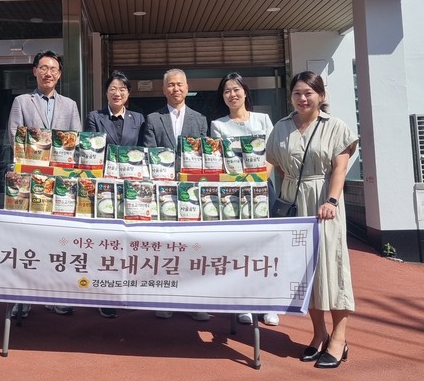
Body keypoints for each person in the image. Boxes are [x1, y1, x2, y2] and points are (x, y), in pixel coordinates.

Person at [266, 71, 358, 369]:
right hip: (293, 203)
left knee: (332, 267)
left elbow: (340, 168)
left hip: (323, 203)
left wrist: (331, 200)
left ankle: (339, 338)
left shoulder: (336, 126)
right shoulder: (281, 127)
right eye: (297, 93)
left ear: (321, 95)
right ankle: (319, 334)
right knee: (304, 272)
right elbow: (276, 165)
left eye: (308, 93)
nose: (303, 98)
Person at [6, 50, 82, 318]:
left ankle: (56, 295)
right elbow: (14, 136)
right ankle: (22, 297)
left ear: (59, 74)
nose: (48, 73)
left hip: (60, 184)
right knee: (25, 239)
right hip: (28, 181)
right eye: (43, 68)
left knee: (58, 240)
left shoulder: (70, 105)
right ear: (35, 71)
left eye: (54, 69)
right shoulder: (21, 102)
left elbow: (76, 140)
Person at [210, 72, 279, 328]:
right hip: (233, 194)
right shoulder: (218, 125)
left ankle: (269, 303)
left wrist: (259, 181)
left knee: (266, 246)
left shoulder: (263, 119)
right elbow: (220, 161)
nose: (232, 94)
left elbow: (272, 154)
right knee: (239, 247)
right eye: (227, 91)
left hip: (262, 189)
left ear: (245, 92)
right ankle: (244, 303)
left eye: (236, 89)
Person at [143, 68, 209, 321]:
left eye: (180, 84)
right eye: (170, 85)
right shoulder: (153, 119)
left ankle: (194, 301)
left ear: (187, 87)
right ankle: (165, 298)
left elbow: (204, 157)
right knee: (165, 246)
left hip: (192, 194)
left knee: (193, 247)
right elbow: (149, 153)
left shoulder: (199, 119)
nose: (175, 89)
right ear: (164, 89)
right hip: (163, 194)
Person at [86, 70, 146, 318]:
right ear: (106, 92)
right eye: (113, 88)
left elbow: (143, 151)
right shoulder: (95, 117)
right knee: (106, 241)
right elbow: (92, 150)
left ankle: (130, 290)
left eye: (122, 88)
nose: (117, 93)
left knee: (131, 241)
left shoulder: (139, 119)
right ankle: (105, 294)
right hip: (105, 190)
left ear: (128, 93)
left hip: (132, 190)